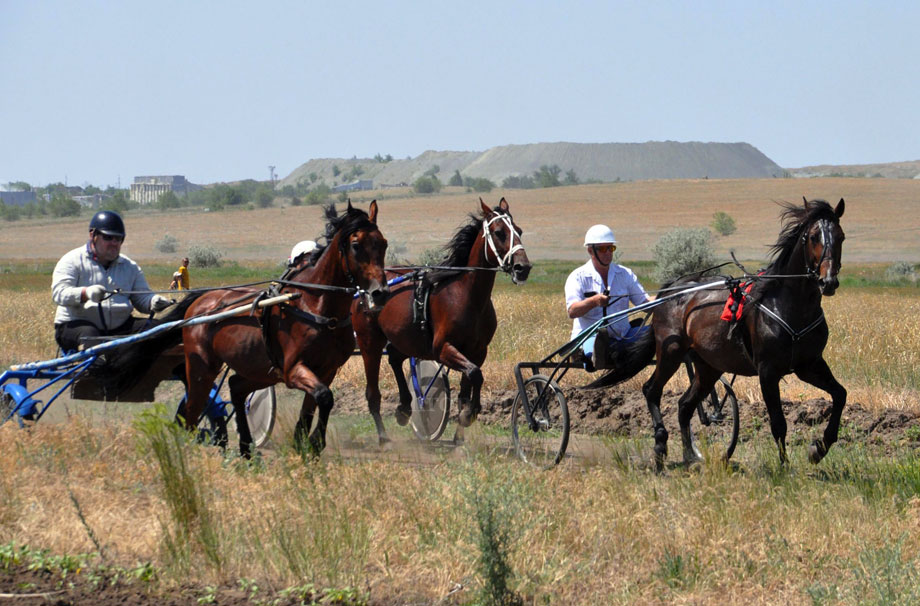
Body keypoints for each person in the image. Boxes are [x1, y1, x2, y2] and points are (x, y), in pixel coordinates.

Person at [52, 210, 173, 353]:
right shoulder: (72, 261)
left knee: (160, 329)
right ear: (93, 235)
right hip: (74, 325)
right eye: (108, 237)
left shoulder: (130, 267)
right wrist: (86, 293)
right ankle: (97, 373)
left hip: (120, 326)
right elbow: (59, 294)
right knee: (91, 336)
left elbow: (141, 297)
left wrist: (153, 302)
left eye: (119, 239)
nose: (114, 243)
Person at [564, 224, 650, 369]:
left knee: (659, 330)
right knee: (599, 341)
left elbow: (645, 303)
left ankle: (617, 352)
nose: (608, 253)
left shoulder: (625, 274)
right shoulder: (578, 277)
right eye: (602, 249)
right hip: (590, 336)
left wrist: (667, 296)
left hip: (624, 335)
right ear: (590, 251)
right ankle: (594, 354)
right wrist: (594, 301)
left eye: (611, 248)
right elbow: (572, 311)